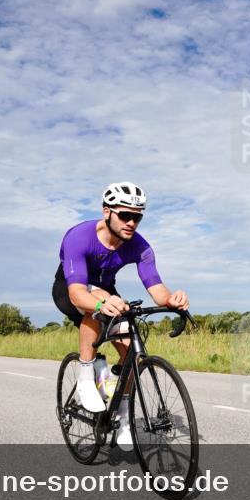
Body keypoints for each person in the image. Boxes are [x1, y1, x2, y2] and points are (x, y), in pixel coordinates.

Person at [52, 181, 189, 450]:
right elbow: (78, 293)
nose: (131, 223)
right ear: (107, 212)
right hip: (71, 288)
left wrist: (171, 299)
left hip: (105, 290)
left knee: (130, 349)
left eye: (137, 217)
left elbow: (156, 287)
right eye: (125, 215)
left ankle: (122, 416)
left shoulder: (139, 246)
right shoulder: (79, 237)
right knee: (98, 307)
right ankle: (85, 378)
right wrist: (100, 303)